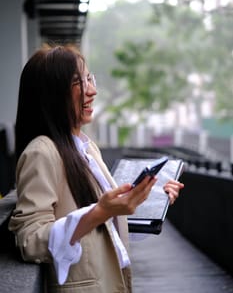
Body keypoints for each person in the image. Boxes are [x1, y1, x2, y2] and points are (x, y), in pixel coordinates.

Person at [9, 44, 184, 293]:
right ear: (52, 93)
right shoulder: (41, 152)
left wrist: (150, 198)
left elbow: (104, 222)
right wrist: (99, 212)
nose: (92, 91)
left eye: (89, 78)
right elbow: (30, 240)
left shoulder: (85, 147)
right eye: (78, 82)